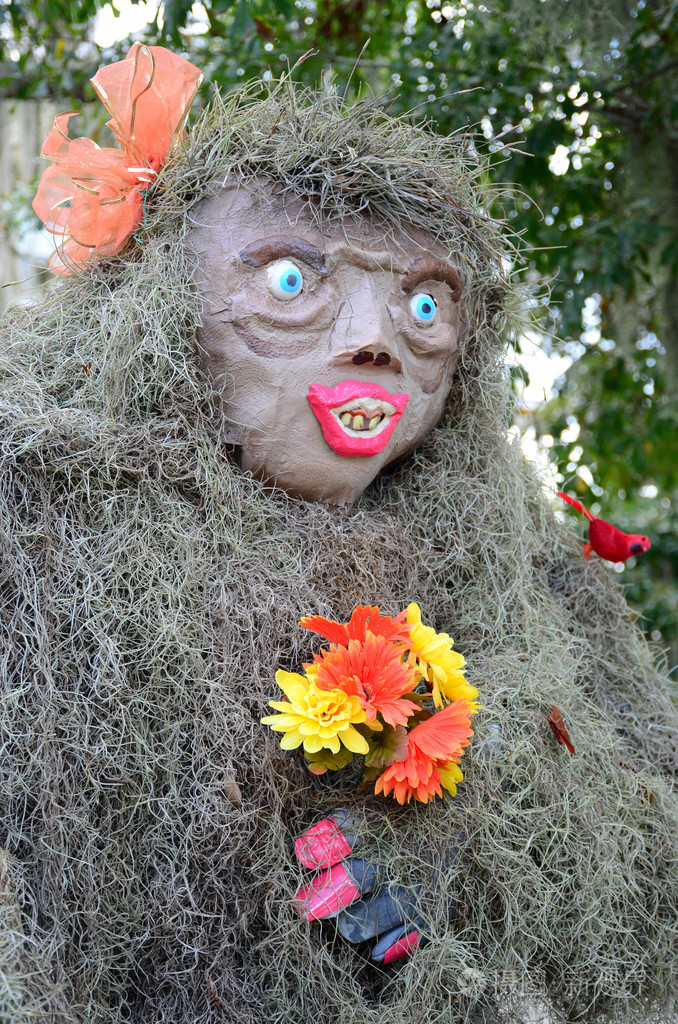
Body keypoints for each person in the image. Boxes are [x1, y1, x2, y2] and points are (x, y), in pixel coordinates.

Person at [1, 49, 676, 1024]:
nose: (375, 338)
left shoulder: (530, 577)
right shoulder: (39, 522)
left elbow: (639, 879)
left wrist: (480, 908)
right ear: (159, 309)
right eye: (290, 279)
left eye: (426, 303)